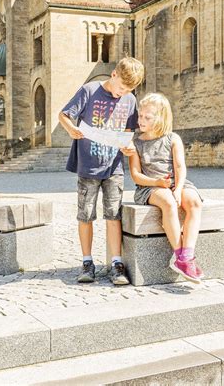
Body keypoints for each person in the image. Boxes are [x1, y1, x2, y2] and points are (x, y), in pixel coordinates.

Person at [59, 57, 144, 286]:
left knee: (113, 215)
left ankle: (116, 264)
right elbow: (64, 115)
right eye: (120, 88)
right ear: (113, 74)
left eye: (128, 90)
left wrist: (128, 146)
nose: (121, 93)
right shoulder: (89, 90)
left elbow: (129, 131)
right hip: (88, 165)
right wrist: (72, 129)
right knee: (85, 215)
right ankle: (87, 262)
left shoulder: (130, 100)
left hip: (114, 166)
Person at [127, 92, 204, 283]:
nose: (141, 120)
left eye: (147, 117)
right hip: (149, 187)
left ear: (160, 118)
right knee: (169, 202)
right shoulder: (135, 142)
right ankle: (179, 255)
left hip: (175, 182)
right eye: (140, 115)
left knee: (193, 201)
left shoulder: (173, 138)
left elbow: (179, 167)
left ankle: (187, 254)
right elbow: (136, 175)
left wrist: (178, 189)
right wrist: (158, 183)